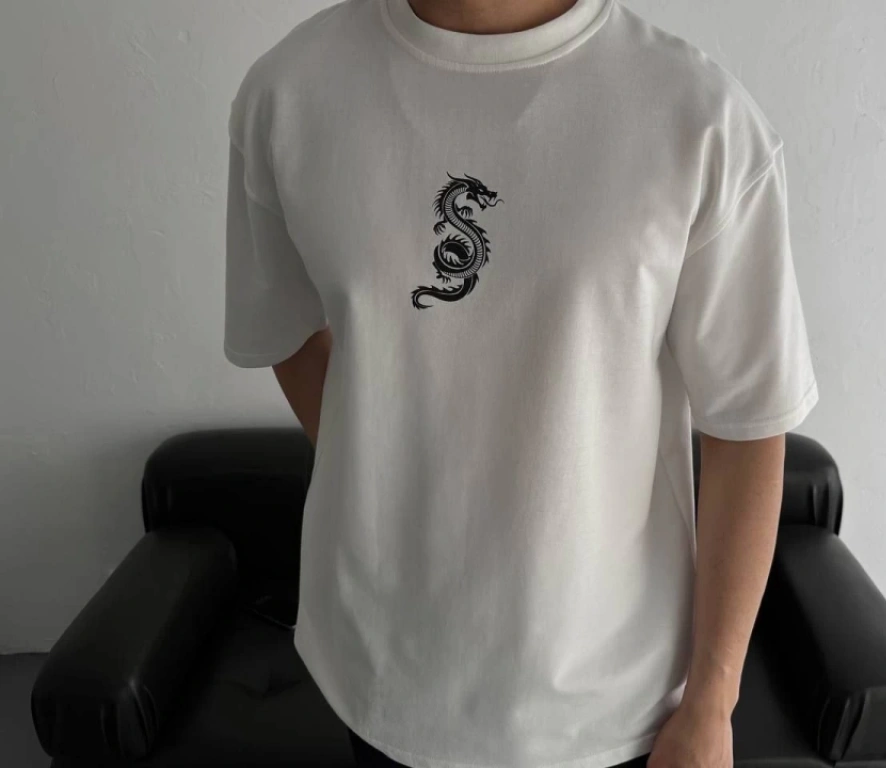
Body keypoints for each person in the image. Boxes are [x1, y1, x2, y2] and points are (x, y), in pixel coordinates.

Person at [222, 0, 819, 766]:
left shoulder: (702, 121)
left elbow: (748, 424)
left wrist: (713, 697)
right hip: (380, 678)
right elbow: (287, 332)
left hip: (612, 703)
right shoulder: (289, 95)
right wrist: (389, 460)